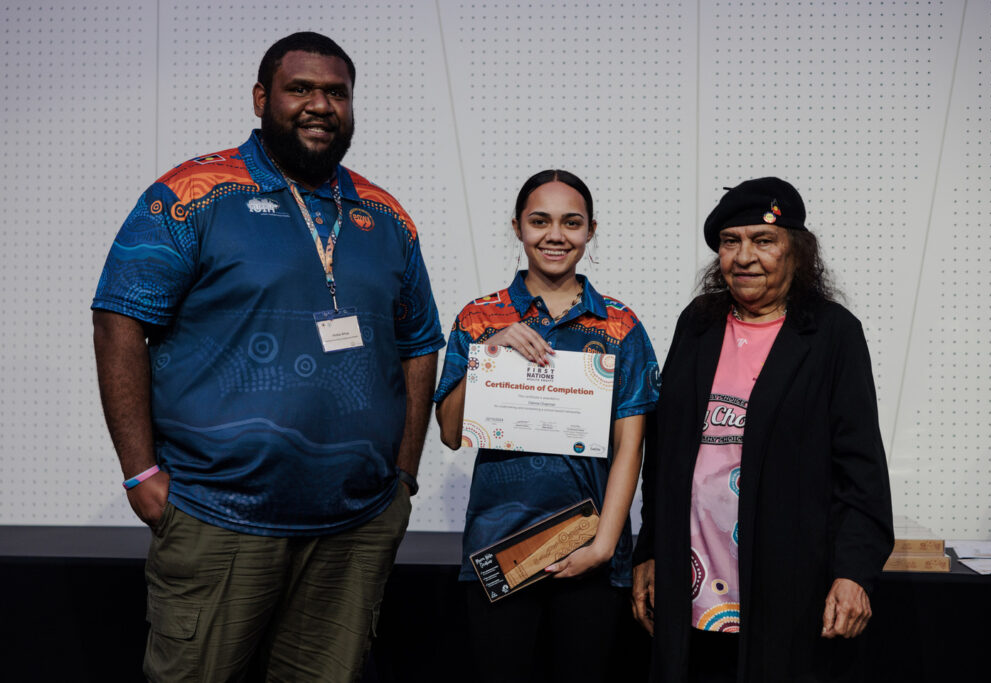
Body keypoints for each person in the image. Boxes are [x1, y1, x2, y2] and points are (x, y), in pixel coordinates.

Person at [91, 32, 444, 682]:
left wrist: (403, 477)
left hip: (354, 526)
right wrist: (141, 474)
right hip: (218, 516)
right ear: (261, 98)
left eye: (336, 93)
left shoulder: (385, 215)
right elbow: (119, 318)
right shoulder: (191, 194)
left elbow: (420, 343)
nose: (320, 105)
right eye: (300, 89)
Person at [631, 177, 894, 682]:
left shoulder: (832, 334)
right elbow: (662, 454)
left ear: (797, 251)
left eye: (763, 240)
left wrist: (854, 572)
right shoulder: (698, 323)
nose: (744, 257)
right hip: (692, 584)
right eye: (731, 242)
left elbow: (861, 470)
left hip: (788, 586)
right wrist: (650, 551)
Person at [434, 170, 660, 682]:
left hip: (589, 547)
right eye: (540, 221)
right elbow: (450, 432)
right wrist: (489, 353)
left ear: (590, 230)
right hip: (500, 549)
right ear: (517, 227)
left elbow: (631, 447)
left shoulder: (620, 325)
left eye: (571, 222)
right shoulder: (479, 318)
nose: (555, 235)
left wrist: (603, 547)